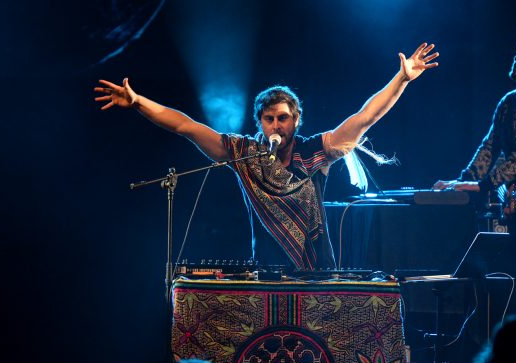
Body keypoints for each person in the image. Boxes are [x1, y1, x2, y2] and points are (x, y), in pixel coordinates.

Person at [95, 44, 438, 271]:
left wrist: (401, 80)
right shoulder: (244, 154)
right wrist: (139, 102)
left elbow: (366, 117)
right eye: (269, 118)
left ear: (296, 119)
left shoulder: (316, 150)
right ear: (259, 121)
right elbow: (186, 125)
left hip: (316, 274)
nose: (277, 125)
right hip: (266, 274)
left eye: (283, 118)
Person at [432, 24, 516, 324]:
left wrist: (480, 186)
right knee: (502, 276)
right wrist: (461, 183)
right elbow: (489, 148)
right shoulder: (507, 103)